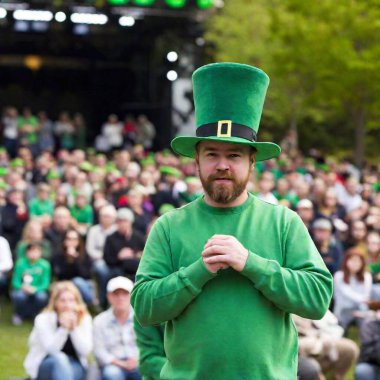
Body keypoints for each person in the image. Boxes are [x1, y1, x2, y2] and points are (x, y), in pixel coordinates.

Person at [131, 63, 333, 379]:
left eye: (235, 155)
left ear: (252, 162)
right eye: (212, 154)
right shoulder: (169, 226)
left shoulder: (283, 222)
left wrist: (251, 264)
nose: (223, 165)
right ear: (196, 159)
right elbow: (144, 308)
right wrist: (198, 272)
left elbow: (317, 299)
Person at [23, 281, 93, 380]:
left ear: (77, 302)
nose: (67, 305)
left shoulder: (84, 319)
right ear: (55, 302)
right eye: (62, 300)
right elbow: (52, 350)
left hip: (74, 364)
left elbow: (85, 351)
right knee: (60, 359)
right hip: (46, 364)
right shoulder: (43, 319)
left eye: (71, 300)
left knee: (66, 373)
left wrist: (73, 329)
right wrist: (63, 329)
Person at [93, 276, 141, 380]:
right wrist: (120, 363)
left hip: (139, 362)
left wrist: (138, 360)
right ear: (109, 296)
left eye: (125, 293)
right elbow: (99, 351)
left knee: (149, 369)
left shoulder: (141, 318)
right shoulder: (99, 321)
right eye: (116, 294)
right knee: (112, 374)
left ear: (131, 295)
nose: (120, 298)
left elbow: (149, 344)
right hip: (113, 364)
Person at [11, 243, 51, 325]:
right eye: (32, 251)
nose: (34, 253)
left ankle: (35, 314)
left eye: (37, 251)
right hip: (23, 288)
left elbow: (46, 283)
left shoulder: (45, 265)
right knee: (18, 296)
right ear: (26, 252)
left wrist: (35, 289)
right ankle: (20, 314)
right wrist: (22, 287)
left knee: (41, 297)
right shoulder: (20, 263)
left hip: (37, 289)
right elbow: (15, 281)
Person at [333, 247, 372, 331]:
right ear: (346, 261)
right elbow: (347, 294)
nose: (355, 264)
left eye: (358, 261)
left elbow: (366, 296)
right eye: (352, 260)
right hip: (343, 310)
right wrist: (363, 301)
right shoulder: (339, 276)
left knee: (366, 321)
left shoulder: (367, 276)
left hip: (360, 309)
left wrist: (362, 311)